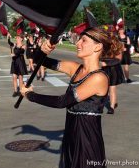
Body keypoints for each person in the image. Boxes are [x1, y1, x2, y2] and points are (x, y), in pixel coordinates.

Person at [21, 27, 123, 168]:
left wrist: (30, 95)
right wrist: (44, 49)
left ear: (98, 47)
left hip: (87, 137)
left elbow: (62, 102)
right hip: (71, 133)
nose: (77, 43)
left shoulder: (99, 78)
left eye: (84, 40)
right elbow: (39, 60)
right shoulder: (74, 68)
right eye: (79, 39)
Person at [8, 33, 28, 97]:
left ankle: (21, 91)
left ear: (22, 39)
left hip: (20, 62)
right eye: (16, 38)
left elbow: (20, 52)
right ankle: (15, 91)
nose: (17, 39)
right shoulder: (15, 44)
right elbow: (9, 43)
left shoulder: (23, 46)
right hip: (14, 62)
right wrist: (8, 37)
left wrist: (14, 54)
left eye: (18, 38)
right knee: (14, 77)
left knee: (20, 77)